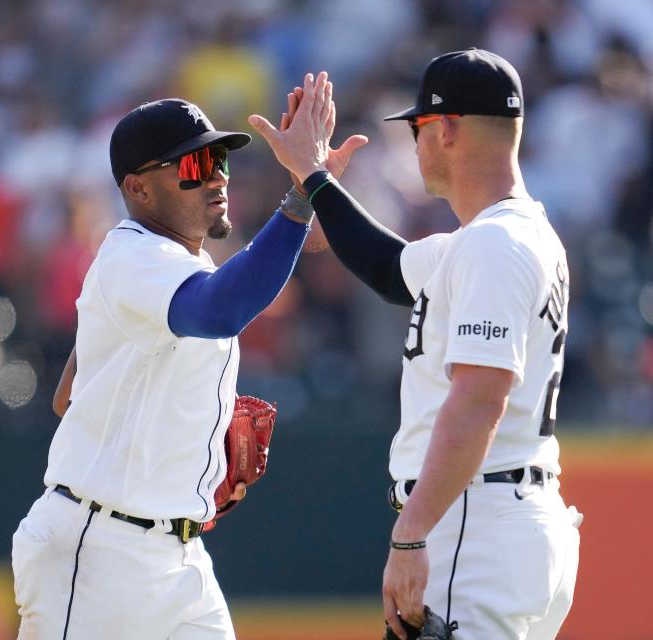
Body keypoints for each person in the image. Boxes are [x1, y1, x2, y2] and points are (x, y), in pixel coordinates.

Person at [249, 49, 582, 640]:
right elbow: (384, 265)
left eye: (418, 128)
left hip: (475, 521)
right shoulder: (501, 238)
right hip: (504, 516)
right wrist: (313, 176)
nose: (416, 142)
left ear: (447, 129)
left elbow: (480, 400)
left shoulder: (494, 245)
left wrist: (412, 533)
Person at [12, 75, 358, 639]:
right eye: (194, 167)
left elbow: (67, 396)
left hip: (177, 554)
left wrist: (187, 447)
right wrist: (301, 193)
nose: (217, 176)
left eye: (219, 159)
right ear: (139, 188)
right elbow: (222, 309)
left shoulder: (163, 266)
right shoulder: (135, 255)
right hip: (99, 551)